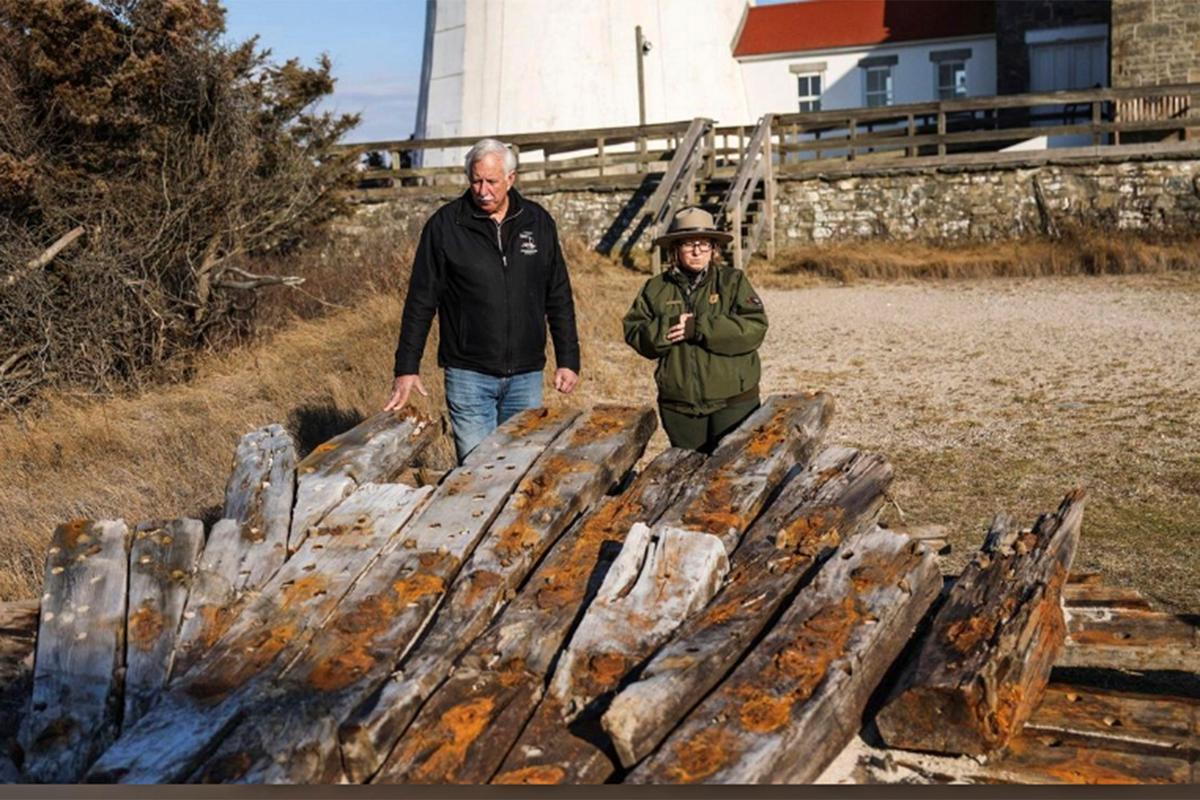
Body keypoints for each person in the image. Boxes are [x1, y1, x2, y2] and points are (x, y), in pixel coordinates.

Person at [385, 138, 580, 463]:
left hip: (526, 374)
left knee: (519, 467)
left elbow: (558, 294)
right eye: (476, 181)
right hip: (468, 374)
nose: (483, 190)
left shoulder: (538, 222)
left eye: (491, 181)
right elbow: (421, 300)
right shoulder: (445, 226)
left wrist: (568, 358)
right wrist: (407, 367)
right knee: (478, 471)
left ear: (511, 178)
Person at [622, 206, 767, 453]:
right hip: (679, 407)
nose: (697, 251)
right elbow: (635, 331)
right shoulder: (655, 288)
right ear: (676, 248)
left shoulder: (733, 281)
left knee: (733, 472)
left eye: (704, 244)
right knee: (687, 475)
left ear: (713, 248)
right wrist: (666, 329)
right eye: (689, 244)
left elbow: (754, 328)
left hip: (734, 403)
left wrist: (699, 327)